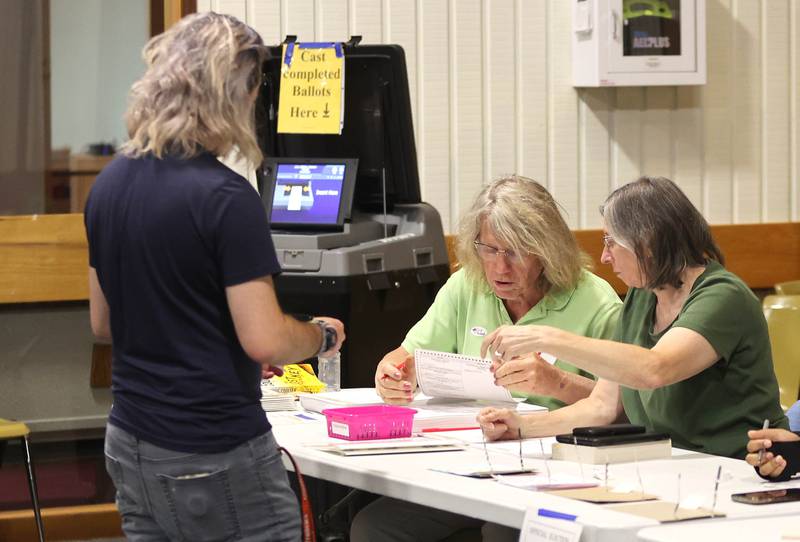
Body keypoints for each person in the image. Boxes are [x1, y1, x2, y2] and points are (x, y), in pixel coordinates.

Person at [84, 12, 344, 541]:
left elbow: (104, 323)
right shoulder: (225, 198)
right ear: (234, 93)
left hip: (129, 440)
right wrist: (320, 335)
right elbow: (265, 338)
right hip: (212, 448)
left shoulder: (109, 185)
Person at [352, 175, 622, 542]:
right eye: (490, 249)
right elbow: (407, 355)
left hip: (550, 467)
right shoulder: (468, 283)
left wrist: (556, 383)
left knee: (502, 531)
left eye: (515, 252)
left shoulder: (597, 303)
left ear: (547, 249)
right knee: (374, 527)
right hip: (465, 459)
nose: (499, 268)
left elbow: (622, 410)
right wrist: (392, 373)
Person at [478, 176, 788, 461]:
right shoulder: (642, 296)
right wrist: (519, 427)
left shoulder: (722, 296)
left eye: (611, 241)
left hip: (737, 467)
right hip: (670, 464)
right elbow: (601, 407)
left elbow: (655, 369)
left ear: (647, 243)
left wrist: (546, 338)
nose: (605, 256)